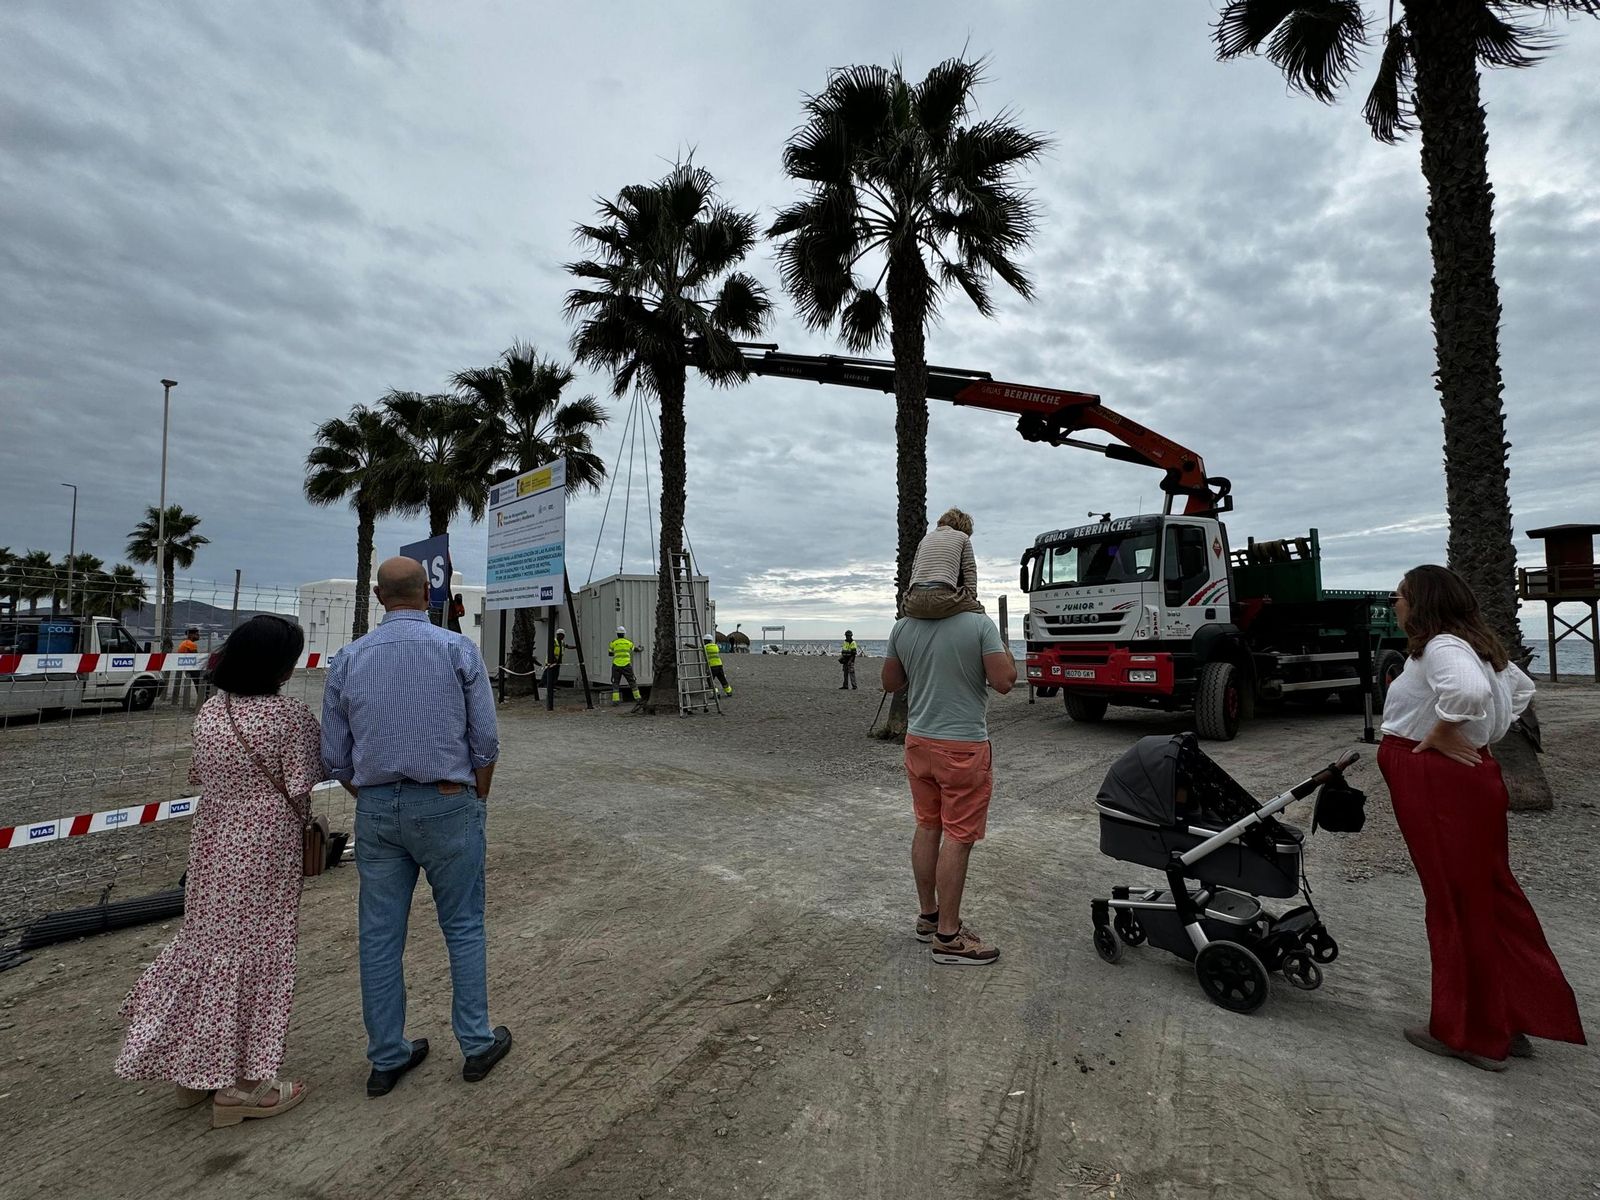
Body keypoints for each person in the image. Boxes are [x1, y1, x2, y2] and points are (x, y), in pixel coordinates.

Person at [115, 615, 324, 1127]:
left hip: (213, 840)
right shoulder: (289, 716)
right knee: (259, 951)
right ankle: (247, 1086)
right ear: (279, 665)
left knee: (206, 945)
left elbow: (200, 774)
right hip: (265, 845)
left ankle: (195, 1072)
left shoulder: (211, 711)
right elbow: (306, 778)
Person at [1379, 564, 1585, 1070]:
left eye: (1401, 595)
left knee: (1453, 900)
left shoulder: (1443, 647)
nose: (1395, 604)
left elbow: (1468, 694)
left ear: (1422, 603)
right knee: (1485, 897)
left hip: (1437, 780)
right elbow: (1520, 690)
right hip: (1464, 781)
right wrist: (1479, 735)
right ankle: (1505, 1016)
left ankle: (1469, 1033)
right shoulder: (1473, 644)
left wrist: (1451, 731)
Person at [321, 557, 512, 1097]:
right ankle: (476, 1043)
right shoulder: (457, 650)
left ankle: (387, 1056)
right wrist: (476, 794)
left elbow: (335, 757)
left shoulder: (349, 659)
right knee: (464, 925)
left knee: (380, 936)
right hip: (449, 801)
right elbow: (486, 741)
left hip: (378, 811)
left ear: (380, 597)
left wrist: (375, 794)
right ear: (429, 593)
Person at [882, 606, 1015, 965]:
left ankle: (928, 917)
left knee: (927, 825)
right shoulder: (978, 624)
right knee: (958, 836)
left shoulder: (903, 626)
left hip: (918, 741)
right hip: (962, 747)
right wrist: (1003, 646)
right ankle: (949, 937)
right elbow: (1004, 682)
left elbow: (891, 683)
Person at [902, 508, 985, 620]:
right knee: (980, 612)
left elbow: (914, 569)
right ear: (964, 528)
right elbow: (969, 570)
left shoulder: (925, 539)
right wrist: (970, 600)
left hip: (913, 603)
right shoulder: (963, 538)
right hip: (942, 599)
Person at [608, 626, 641, 706]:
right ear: (624, 634)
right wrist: (640, 649)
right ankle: (638, 699)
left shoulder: (613, 643)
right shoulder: (628, 642)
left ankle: (615, 701)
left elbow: (610, 654)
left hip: (616, 665)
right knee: (632, 682)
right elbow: (635, 649)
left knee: (616, 683)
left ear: (617, 634)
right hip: (626, 665)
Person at [172, 626, 203, 707]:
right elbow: (196, 657)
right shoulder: (191, 644)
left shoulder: (184, 643)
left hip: (186, 667)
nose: (198, 636)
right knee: (200, 683)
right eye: (196, 634)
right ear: (191, 635)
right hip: (192, 668)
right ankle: (203, 700)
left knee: (198, 683)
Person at [543, 628, 566, 711]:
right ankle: (545, 685)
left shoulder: (562, 642)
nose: (563, 637)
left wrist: (574, 647)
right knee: (548, 674)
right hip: (551, 662)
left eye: (563, 635)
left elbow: (565, 646)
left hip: (557, 662)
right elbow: (551, 651)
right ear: (558, 635)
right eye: (561, 635)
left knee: (556, 674)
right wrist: (553, 659)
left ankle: (553, 685)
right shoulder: (554, 641)